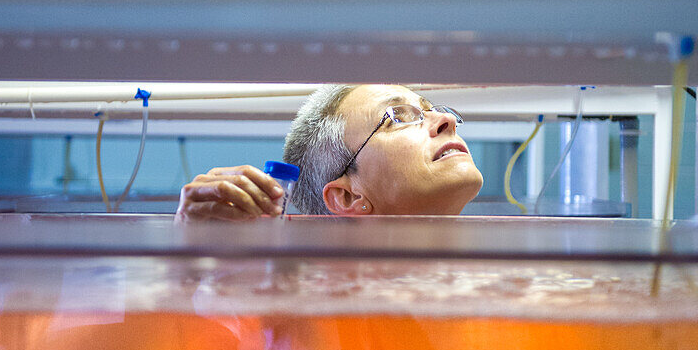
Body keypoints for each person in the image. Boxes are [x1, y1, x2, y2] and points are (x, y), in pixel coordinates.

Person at [176, 83, 483, 220]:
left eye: (432, 109)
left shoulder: (494, 287)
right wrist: (189, 266)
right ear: (348, 196)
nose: (447, 121)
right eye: (398, 117)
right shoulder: (300, 319)